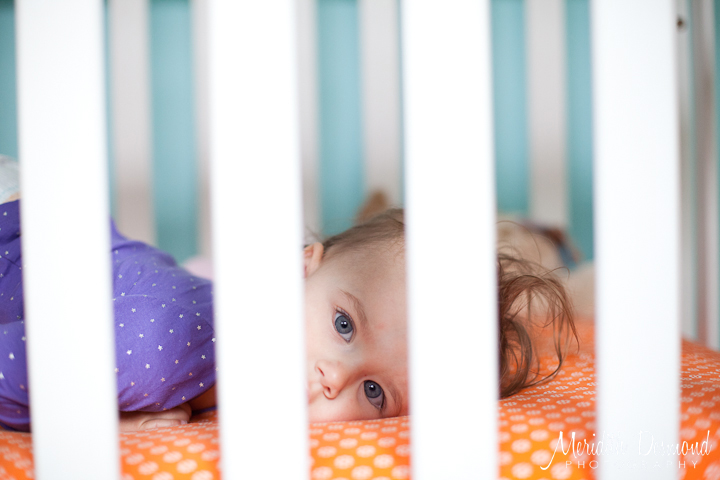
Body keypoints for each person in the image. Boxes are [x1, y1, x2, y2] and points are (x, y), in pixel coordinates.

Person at [0, 163, 576, 431]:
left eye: (374, 392)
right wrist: (104, 424)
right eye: (344, 325)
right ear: (299, 268)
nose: (334, 378)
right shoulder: (161, 345)